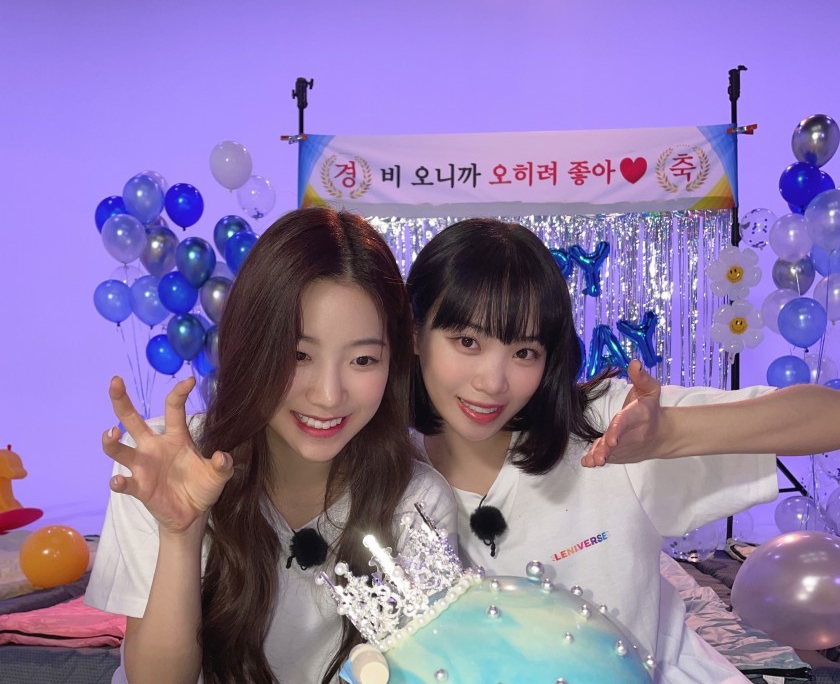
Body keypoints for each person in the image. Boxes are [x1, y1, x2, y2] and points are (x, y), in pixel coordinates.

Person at [405, 217, 840, 684]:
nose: (493, 383)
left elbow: (826, 417)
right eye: (467, 342)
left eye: (525, 352)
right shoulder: (386, 470)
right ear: (413, 332)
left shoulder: (609, 426)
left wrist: (672, 434)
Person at [85, 207, 456, 684]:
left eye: (363, 360)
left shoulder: (417, 503)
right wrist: (181, 534)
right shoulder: (165, 465)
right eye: (299, 354)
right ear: (251, 343)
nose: (328, 395)